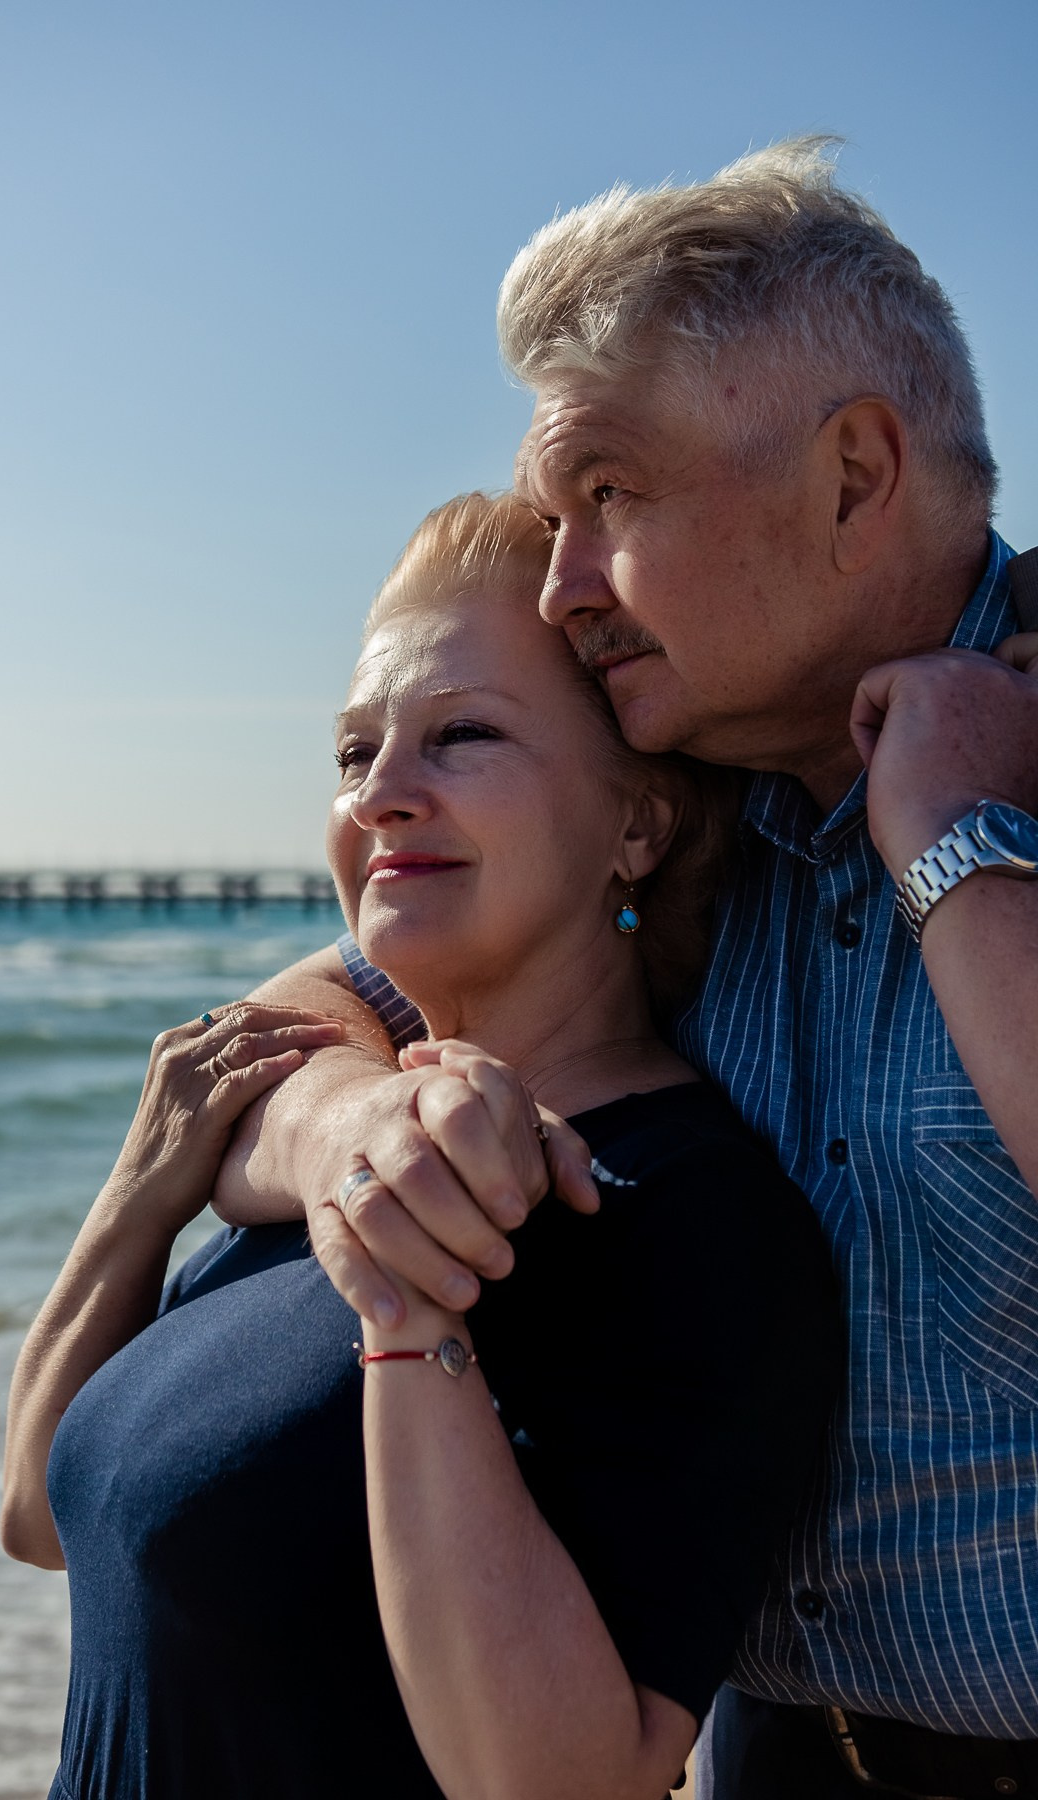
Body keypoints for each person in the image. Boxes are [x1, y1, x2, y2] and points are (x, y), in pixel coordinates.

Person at [212, 141, 1038, 1798]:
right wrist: (358, 1129)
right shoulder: (702, 800)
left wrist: (957, 839)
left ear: (857, 475)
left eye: (609, 500)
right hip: (767, 1748)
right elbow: (305, 1006)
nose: (564, 583)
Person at [2, 493, 837, 1800]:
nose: (382, 796)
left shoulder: (690, 1220)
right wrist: (144, 1188)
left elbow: (558, 1778)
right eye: (352, 753)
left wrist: (408, 1306)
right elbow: (46, 1517)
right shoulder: (330, 1135)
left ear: (639, 825)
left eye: (462, 735)